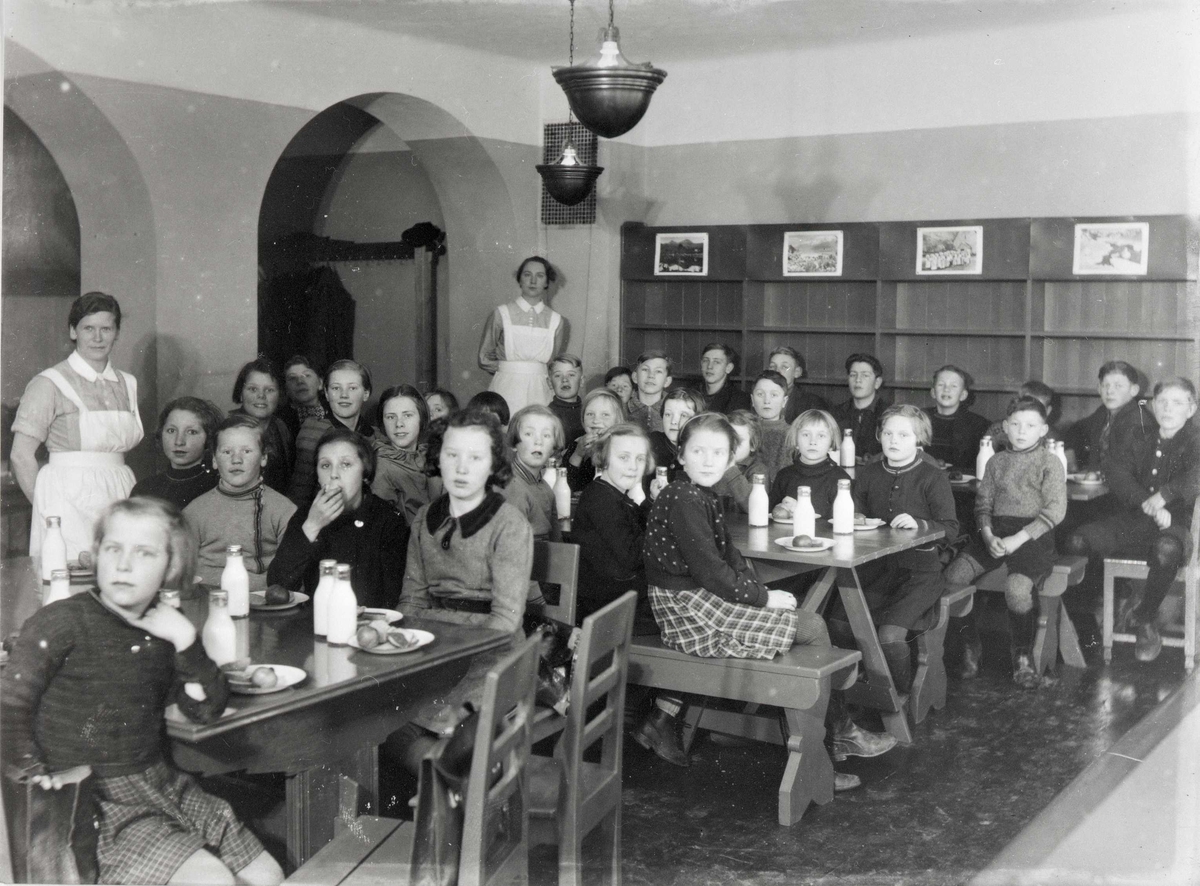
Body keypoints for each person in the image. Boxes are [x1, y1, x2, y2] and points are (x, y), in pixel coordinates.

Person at [0, 497, 283, 886]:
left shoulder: (168, 625)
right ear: (97, 554)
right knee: (212, 880)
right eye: (113, 549)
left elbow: (205, 709)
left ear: (171, 566)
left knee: (268, 875)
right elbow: (10, 706)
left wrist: (186, 640)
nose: (124, 564)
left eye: (144, 553)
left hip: (161, 785)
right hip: (92, 800)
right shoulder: (60, 622)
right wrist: (34, 772)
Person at [638, 413, 894, 775]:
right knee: (810, 628)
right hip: (688, 611)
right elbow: (712, 571)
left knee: (807, 625)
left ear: (730, 461)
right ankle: (825, 752)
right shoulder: (682, 497)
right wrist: (763, 599)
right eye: (699, 451)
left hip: (699, 601)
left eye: (718, 453)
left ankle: (831, 738)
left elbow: (728, 556)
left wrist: (759, 592)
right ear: (681, 456)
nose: (709, 460)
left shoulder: (700, 495)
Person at [384, 409, 534, 766]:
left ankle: (447, 788)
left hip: (494, 659)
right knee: (376, 725)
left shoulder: (508, 524)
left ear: (493, 464)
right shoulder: (424, 519)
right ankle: (444, 785)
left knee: (452, 733)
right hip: (436, 655)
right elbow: (410, 603)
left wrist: (435, 627)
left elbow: (504, 624)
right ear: (438, 457)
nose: (462, 469)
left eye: (475, 457)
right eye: (452, 455)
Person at [1064, 378, 1198, 662]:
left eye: (1177, 402)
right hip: (1131, 522)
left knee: (1167, 549)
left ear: (1192, 408)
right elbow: (1115, 472)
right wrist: (1147, 503)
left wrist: (1165, 495)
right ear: (1151, 405)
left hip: (1174, 527)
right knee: (1076, 541)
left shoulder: (1196, 440)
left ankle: (1144, 618)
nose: (1168, 409)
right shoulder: (1139, 436)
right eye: (1161, 401)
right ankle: (1084, 626)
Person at [10, 292, 144, 563]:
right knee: (70, 583)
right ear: (73, 331)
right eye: (88, 328)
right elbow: (20, 456)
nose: (97, 338)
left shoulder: (128, 383)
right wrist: (47, 510)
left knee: (122, 571)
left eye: (106, 329)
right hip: (66, 497)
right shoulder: (48, 382)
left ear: (116, 332)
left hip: (120, 489)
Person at [832, 405, 958, 691]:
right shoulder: (869, 473)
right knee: (839, 623)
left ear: (919, 439)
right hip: (875, 568)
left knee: (890, 635)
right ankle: (862, 684)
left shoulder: (932, 477)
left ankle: (897, 696)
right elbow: (857, 513)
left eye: (903, 434)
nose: (893, 440)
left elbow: (951, 529)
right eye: (888, 433)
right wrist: (857, 518)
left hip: (920, 573)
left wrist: (920, 524)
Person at [944, 397, 1067, 687]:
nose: (1022, 431)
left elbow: (1055, 511)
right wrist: (987, 534)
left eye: (1030, 425)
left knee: (1017, 589)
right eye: (1015, 425)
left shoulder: (1049, 463)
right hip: (996, 532)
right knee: (953, 577)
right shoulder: (996, 461)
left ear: (1043, 429)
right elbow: (983, 505)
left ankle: (1022, 658)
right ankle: (969, 646)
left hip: (1033, 536)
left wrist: (1016, 540)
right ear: (1005, 427)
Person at [269, 428, 409, 607]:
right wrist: (311, 527)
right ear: (318, 476)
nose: (334, 474)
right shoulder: (306, 516)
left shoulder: (388, 520)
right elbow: (276, 587)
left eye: (346, 464)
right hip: (316, 622)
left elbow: (392, 597)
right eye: (325, 465)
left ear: (365, 473)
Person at [184, 414, 297, 591]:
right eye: (227, 452)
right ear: (214, 459)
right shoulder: (195, 511)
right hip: (207, 600)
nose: (236, 459)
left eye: (246, 451)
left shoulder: (283, 510)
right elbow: (181, 571)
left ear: (264, 457)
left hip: (263, 604)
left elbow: (292, 573)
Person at [571, 423, 660, 633]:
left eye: (640, 459)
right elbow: (633, 555)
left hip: (619, 598)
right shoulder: (601, 499)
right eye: (624, 457)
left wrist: (651, 503)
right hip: (608, 610)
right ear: (604, 458)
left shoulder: (610, 493)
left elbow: (634, 525)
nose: (633, 466)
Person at [478, 255, 569, 414]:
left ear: (547, 282)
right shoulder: (501, 313)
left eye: (540, 276)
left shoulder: (557, 321)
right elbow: (484, 357)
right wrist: (509, 368)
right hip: (506, 387)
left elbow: (552, 364)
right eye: (527, 275)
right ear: (520, 279)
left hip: (540, 390)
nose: (533, 281)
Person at [288, 359, 376, 508]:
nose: (344, 395)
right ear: (327, 394)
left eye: (352, 388)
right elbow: (299, 495)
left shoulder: (375, 435)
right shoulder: (314, 431)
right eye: (336, 388)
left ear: (366, 393)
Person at [131, 397, 224, 510]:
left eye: (191, 432)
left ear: (208, 438)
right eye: (171, 431)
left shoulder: (218, 487)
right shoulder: (144, 489)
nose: (179, 441)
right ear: (161, 434)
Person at [371, 384, 442, 524]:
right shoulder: (380, 464)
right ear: (382, 422)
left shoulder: (432, 455)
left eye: (407, 415)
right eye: (391, 417)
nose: (399, 424)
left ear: (421, 418)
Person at [1063, 360, 1148, 472]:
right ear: (1098, 389)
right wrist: (1069, 453)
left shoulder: (1137, 421)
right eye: (1105, 385)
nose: (1110, 391)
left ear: (1134, 390)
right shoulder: (1103, 412)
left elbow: (1125, 470)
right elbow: (1077, 429)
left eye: (1118, 386)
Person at [770, 409, 852, 517]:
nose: (813, 441)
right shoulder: (784, 476)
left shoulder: (840, 479)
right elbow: (771, 516)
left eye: (821, 436)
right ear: (796, 441)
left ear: (831, 443)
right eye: (806, 435)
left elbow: (842, 521)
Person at [501, 405, 565, 542]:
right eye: (529, 434)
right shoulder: (511, 488)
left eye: (546, 435)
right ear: (513, 444)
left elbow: (557, 545)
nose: (538, 441)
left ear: (554, 447)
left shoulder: (546, 489)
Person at [231, 357, 294, 494]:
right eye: (253, 389)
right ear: (241, 393)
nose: (261, 396)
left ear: (279, 395)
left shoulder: (280, 427)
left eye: (269, 390)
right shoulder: (228, 430)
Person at [924, 364, 991, 472]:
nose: (946, 389)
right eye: (941, 385)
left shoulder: (978, 424)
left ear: (963, 395)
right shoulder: (918, 418)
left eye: (954, 386)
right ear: (933, 392)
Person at [830, 353, 888, 462]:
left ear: (877, 382)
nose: (858, 380)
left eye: (865, 375)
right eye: (853, 375)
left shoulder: (889, 414)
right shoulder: (835, 413)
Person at [565, 387, 625, 492]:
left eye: (605, 415)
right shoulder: (577, 444)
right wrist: (578, 454)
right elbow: (566, 484)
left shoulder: (623, 448)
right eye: (590, 414)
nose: (596, 420)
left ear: (618, 420)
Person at [646, 388, 705, 495]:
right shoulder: (651, 444)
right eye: (668, 414)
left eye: (683, 415)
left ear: (698, 420)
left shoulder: (704, 453)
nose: (673, 421)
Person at [712, 409, 768, 513]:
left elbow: (754, 508)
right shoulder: (713, 465)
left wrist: (731, 469)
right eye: (728, 438)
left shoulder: (758, 470)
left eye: (738, 440)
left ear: (753, 445)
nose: (732, 445)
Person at [986, 380, 1060, 451]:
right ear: (1016, 403)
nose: (1030, 412)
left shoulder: (1051, 437)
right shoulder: (998, 429)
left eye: (1038, 409)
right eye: (1025, 406)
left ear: (1048, 411)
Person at [750, 369, 792, 483]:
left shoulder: (792, 435)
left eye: (774, 395)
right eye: (760, 394)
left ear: (784, 401)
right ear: (752, 400)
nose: (766, 401)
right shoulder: (746, 431)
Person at [769, 346, 827, 424]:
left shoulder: (811, 403)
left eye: (784, 367)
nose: (777, 371)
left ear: (797, 372)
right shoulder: (759, 398)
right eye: (772, 367)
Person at [696, 342, 751, 415]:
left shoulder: (739, 399)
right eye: (706, 360)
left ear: (728, 368)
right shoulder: (691, 392)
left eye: (717, 362)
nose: (709, 366)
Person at [627, 350, 673, 434]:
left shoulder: (674, 411)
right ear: (635, 377)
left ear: (667, 381)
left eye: (658, 371)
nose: (651, 375)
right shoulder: (621, 410)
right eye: (645, 369)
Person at [280, 355, 325, 439]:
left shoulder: (336, 415)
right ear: (286, 389)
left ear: (320, 383)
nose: (300, 381)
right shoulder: (280, 423)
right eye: (292, 378)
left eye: (307, 375)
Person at [547, 353, 585, 443]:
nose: (564, 379)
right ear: (549, 382)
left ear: (582, 381)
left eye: (571, 375)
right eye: (558, 375)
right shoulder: (548, 415)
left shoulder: (589, 411)